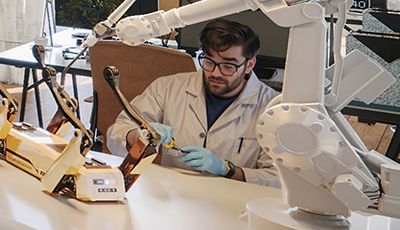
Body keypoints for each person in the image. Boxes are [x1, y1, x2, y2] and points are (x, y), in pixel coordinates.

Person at [104, 18, 280, 185]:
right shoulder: (168, 88)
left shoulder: (273, 108)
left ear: (249, 65)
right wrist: (139, 135)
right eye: (209, 62)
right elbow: (116, 133)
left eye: (228, 66)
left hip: (232, 207)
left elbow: (277, 179)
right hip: (173, 197)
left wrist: (227, 169)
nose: (216, 73)